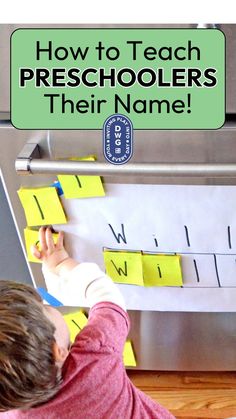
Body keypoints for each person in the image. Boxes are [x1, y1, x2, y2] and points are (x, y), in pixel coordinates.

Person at [0, 227, 175, 419]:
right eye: (46, 307)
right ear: (57, 351)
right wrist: (62, 264)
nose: (50, 305)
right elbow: (108, 298)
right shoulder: (96, 354)